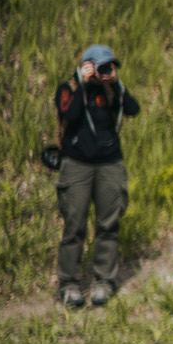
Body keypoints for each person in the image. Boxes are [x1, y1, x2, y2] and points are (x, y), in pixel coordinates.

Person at [54, 43, 140, 310]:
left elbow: (134, 110)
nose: (104, 71)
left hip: (109, 164)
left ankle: (104, 280)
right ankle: (68, 284)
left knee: (109, 224)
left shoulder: (111, 90)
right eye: (99, 67)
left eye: (108, 67)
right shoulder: (69, 89)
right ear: (86, 65)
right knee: (74, 225)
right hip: (77, 164)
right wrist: (83, 82)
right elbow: (70, 113)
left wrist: (114, 84)